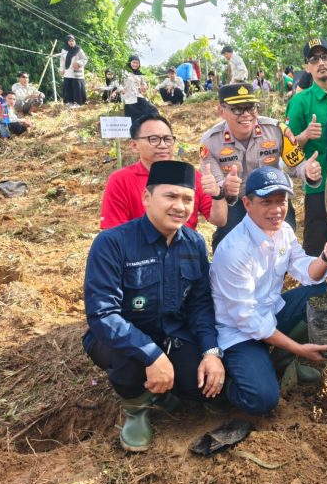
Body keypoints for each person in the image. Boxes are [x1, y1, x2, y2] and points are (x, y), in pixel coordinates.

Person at [84, 160, 224, 452]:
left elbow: (200, 304)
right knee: (127, 362)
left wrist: (211, 352)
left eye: (187, 199)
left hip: (172, 334)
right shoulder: (112, 243)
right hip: (123, 338)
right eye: (170, 196)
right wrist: (151, 354)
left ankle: (165, 392)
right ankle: (136, 407)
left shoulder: (194, 244)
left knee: (203, 388)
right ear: (147, 197)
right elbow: (103, 314)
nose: (180, 206)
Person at [210, 166, 327, 415]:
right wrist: (298, 348)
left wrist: (326, 258)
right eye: (266, 202)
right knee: (262, 399)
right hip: (239, 333)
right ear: (247, 203)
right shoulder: (234, 251)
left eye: (281, 201)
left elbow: (304, 268)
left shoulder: (283, 231)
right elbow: (248, 321)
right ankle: (225, 384)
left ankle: (281, 362)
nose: (276, 210)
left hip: (271, 312)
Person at [200, 83, 323, 249]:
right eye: (237, 109)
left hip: (271, 196)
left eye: (251, 108)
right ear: (221, 111)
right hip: (236, 200)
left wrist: (308, 171)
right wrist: (225, 187)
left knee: (285, 241)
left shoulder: (277, 130)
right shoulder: (210, 142)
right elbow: (216, 186)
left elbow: (297, 164)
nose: (246, 114)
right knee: (226, 243)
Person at [100, 112, 229, 231]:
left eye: (167, 139)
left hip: (183, 246)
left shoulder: (190, 176)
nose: (163, 145)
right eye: (153, 139)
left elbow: (219, 220)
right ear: (134, 145)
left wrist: (217, 195)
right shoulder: (121, 180)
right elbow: (113, 232)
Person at [286, 38, 327, 256]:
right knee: (316, 239)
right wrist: (304, 135)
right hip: (318, 183)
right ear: (307, 67)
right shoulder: (300, 101)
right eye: (314, 59)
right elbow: (288, 148)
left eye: (325, 56)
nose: (320, 62)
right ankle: (314, 274)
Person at [122, 55, 159, 123]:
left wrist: (144, 87)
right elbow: (118, 84)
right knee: (133, 117)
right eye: (133, 62)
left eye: (137, 63)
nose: (135, 64)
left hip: (138, 97)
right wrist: (120, 89)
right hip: (128, 98)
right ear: (130, 62)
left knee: (153, 109)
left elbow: (144, 85)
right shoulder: (124, 73)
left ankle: (154, 125)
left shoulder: (140, 75)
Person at [59, 34, 88, 107]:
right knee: (68, 87)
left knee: (76, 87)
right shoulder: (64, 50)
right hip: (67, 72)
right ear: (67, 42)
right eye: (70, 41)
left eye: (73, 41)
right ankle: (69, 102)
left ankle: (78, 103)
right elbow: (62, 61)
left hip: (76, 72)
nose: (71, 42)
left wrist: (78, 63)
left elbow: (85, 59)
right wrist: (62, 70)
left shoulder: (78, 49)